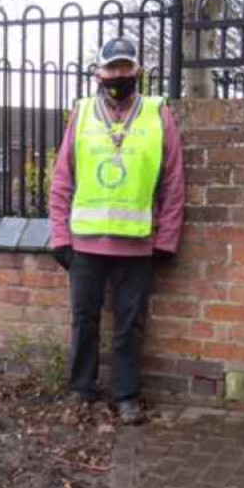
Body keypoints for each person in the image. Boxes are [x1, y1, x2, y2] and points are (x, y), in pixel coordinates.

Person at [48, 37, 185, 424]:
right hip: (85, 243)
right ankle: (81, 390)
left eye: (125, 68)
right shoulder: (82, 112)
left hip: (138, 244)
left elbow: (174, 183)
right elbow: (62, 180)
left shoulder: (158, 113)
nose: (118, 76)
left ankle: (126, 396)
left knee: (130, 326)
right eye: (111, 68)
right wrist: (60, 236)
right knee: (84, 321)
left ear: (137, 72)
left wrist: (167, 238)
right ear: (98, 73)